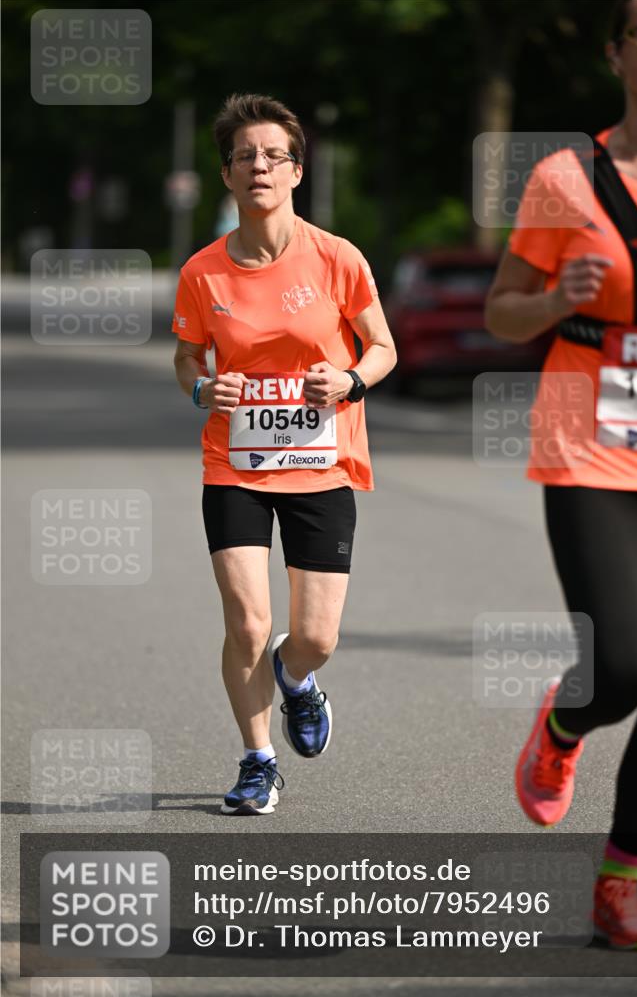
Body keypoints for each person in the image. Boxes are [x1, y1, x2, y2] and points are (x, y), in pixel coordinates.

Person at [485, 0, 637, 950]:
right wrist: (557, 297)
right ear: (616, 54)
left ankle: (617, 883)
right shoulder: (567, 178)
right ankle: (564, 726)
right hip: (590, 441)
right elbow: (501, 314)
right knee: (629, 664)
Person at [172, 93, 396, 815]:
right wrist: (205, 388)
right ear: (228, 176)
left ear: (296, 172)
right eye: (245, 157)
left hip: (321, 463)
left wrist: (351, 378)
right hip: (234, 463)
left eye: (273, 155)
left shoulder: (337, 258)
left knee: (317, 636)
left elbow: (384, 347)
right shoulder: (203, 272)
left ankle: (296, 679)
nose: (259, 166)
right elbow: (185, 358)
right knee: (246, 621)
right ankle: (257, 759)